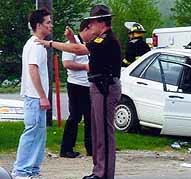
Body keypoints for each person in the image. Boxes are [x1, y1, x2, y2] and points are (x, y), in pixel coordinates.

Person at [35, 4, 121, 179]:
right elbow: (84, 51)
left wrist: (50, 43)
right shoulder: (100, 40)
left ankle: (104, 174)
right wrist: (71, 40)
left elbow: (79, 50)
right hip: (98, 86)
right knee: (97, 132)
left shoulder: (107, 40)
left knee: (104, 133)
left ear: (100, 22)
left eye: (91, 24)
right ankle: (98, 171)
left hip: (105, 87)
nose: (90, 27)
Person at [12, 9, 52, 179]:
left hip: (35, 98)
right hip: (35, 98)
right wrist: (42, 96)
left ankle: (32, 170)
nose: (51, 25)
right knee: (32, 133)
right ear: (38, 25)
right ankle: (21, 170)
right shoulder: (36, 44)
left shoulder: (35, 43)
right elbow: (33, 69)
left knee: (38, 135)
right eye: (48, 22)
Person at [60, 21, 93, 158]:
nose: (92, 35)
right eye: (91, 31)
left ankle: (91, 148)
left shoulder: (88, 45)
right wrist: (84, 67)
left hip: (89, 85)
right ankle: (66, 148)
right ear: (85, 30)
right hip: (76, 85)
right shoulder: (70, 45)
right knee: (75, 116)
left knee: (90, 118)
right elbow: (67, 63)